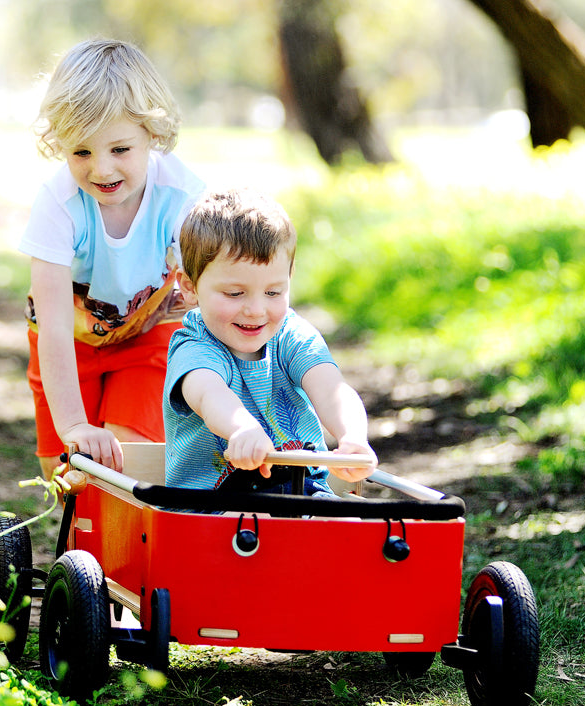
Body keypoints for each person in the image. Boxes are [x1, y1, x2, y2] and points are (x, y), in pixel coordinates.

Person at [19, 38, 205, 478]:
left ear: (152, 135)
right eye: (81, 151)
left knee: (126, 459)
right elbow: (56, 328)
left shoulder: (181, 197)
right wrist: (73, 425)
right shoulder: (58, 204)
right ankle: (79, 542)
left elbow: (214, 295)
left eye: (119, 149)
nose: (101, 170)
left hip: (148, 333)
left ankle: (127, 546)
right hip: (69, 340)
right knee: (69, 473)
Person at [163, 187, 377, 493]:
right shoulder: (196, 345)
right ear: (189, 287)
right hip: (212, 505)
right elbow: (209, 395)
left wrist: (352, 436)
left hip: (302, 489)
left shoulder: (291, 335)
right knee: (256, 529)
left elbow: (332, 389)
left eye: (273, 292)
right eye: (235, 293)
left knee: (340, 526)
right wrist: (242, 428)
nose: (256, 310)